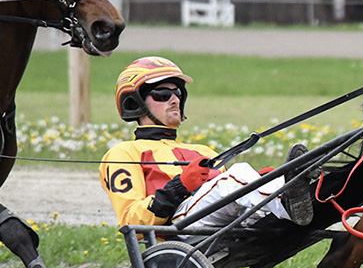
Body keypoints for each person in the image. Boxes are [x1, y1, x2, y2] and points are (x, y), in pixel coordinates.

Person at [100, 56, 314, 230]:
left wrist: (262, 181)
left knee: (263, 177)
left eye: (177, 93)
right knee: (236, 175)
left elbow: (228, 197)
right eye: (163, 94)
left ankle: (296, 190)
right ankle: (286, 200)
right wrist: (179, 187)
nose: (174, 100)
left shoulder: (202, 150)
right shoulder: (123, 153)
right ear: (135, 102)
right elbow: (130, 220)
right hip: (175, 227)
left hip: (223, 222)